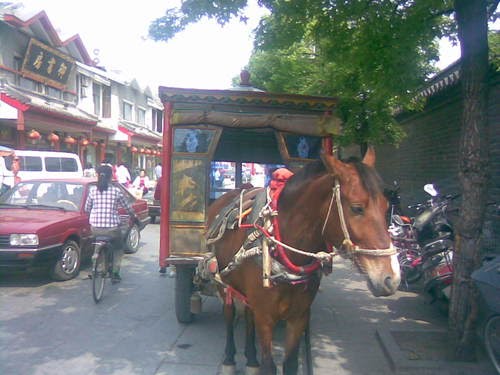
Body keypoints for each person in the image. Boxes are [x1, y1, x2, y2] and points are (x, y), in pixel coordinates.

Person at [85, 164, 138, 282]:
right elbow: (127, 207)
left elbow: (87, 208)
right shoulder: (116, 191)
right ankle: (115, 273)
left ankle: (96, 264)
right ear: (111, 177)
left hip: (95, 227)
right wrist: (134, 216)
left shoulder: (93, 191)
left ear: (98, 176)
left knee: (98, 243)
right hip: (112, 228)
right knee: (118, 248)